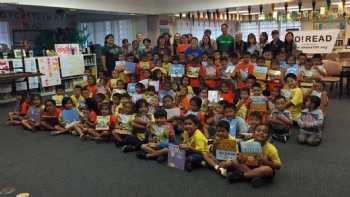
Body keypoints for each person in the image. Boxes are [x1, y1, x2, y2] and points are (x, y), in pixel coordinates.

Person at [222, 124, 282, 188]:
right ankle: (253, 177)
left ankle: (242, 176)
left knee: (268, 170)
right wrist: (240, 158)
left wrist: (265, 161)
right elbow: (242, 159)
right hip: (248, 166)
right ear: (253, 134)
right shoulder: (248, 143)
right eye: (258, 131)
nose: (261, 133)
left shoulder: (271, 148)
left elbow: (278, 166)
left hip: (261, 167)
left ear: (268, 136)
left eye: (264, 132)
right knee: (234, 160)